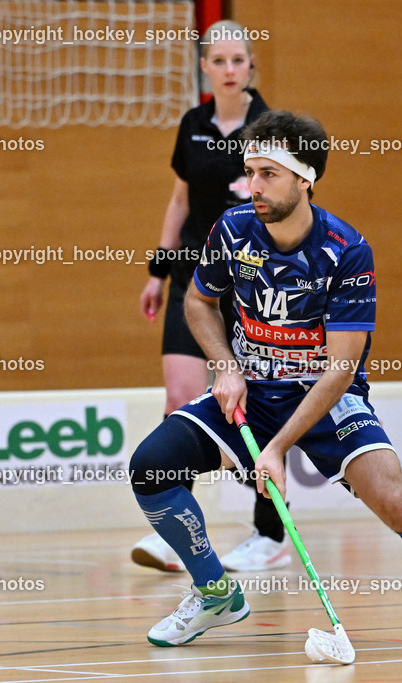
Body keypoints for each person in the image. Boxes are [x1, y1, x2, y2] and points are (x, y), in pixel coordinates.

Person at [129, 110, 402, 652]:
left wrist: (277, 450)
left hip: (326, 396)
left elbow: (342, 367)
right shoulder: (234, 228)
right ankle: (215, 593)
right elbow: (198, 301)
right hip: (252, 390)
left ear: (304, 177)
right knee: (151, 466)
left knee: (396, 501)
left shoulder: (347, 251)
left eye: (268, 174)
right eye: (250, 171)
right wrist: (225, 363)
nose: (252, 186)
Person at [133, 20, 291, 574]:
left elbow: (291, 200)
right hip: (190, 278)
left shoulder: (268, 128)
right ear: (205, 67)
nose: (229, 70)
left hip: (248, 278)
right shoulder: (192, 124)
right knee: (179, 398)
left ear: (251, 65)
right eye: (218, 61)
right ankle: (177, 526)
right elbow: (179, 199)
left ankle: (270, 532)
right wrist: (158, 268)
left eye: (238, 61)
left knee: (251, 407)